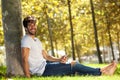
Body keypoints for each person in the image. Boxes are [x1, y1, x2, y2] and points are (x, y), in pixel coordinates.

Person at [21, 16, 117, 78]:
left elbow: (46, 57)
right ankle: (101, 71)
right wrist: (27, 76)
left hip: (45, 65)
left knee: (74, 68)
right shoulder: (26, 40)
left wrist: (59, 59)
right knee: (73, 64)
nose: (33, 27)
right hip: (42, 70)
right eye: (30, 25)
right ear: (26, 27)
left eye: (34, 24)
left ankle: (102, 70)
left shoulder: (37, 40)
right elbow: (24, 58)